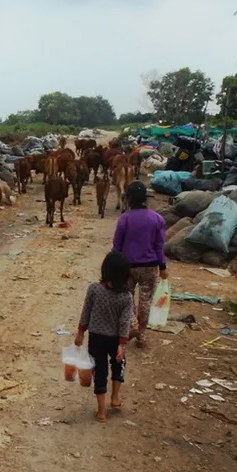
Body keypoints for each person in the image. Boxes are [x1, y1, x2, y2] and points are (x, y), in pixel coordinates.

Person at [75, 251, 133, 422]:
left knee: (99, 371)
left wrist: (80, 333)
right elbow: (124, 323)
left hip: (96, 338)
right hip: (115, 339)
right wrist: (122, 345)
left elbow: (85, 313)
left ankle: (101, 412)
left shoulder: (94, 289)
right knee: (118, 365)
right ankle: (115, 397)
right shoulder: (126, 297)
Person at [112, 181, 167, 347]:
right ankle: (142, 335)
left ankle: (131, 326)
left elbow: (117, 245)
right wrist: (163, 266)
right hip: (150, 267)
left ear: (128, 199)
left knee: (127, 298)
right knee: (145, 300)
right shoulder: (157, 219)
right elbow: (159, 245)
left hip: (127, 266)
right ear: (145, 198)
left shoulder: (124, 219)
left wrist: (114, 267)